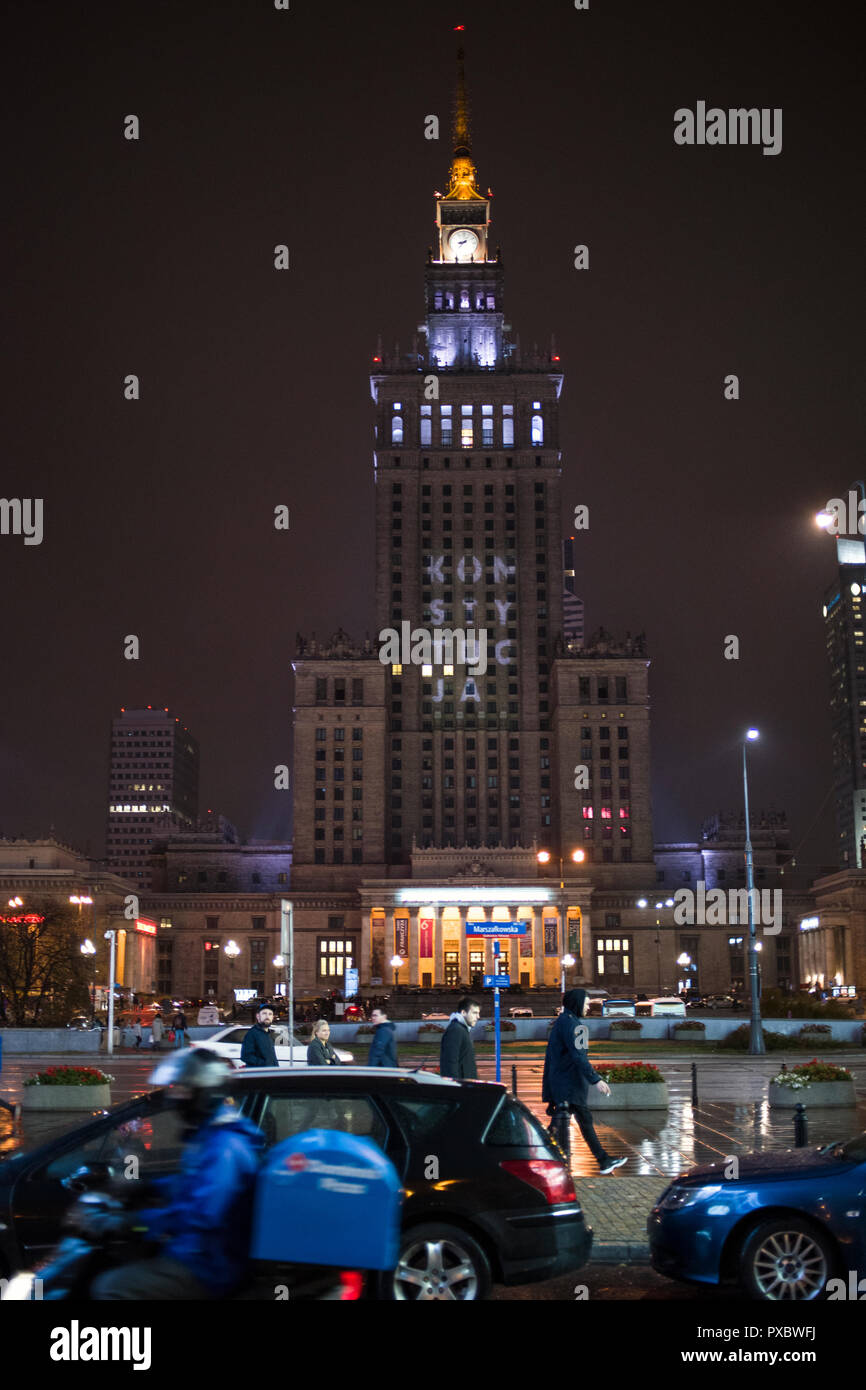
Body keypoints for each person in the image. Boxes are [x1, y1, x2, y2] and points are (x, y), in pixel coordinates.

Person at [89, 1049, 265, 1299]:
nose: (177, 1097)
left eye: (184, 1090)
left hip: (207, 1263)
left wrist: (134, 1221)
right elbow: (192, 1183)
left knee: (113, 1286)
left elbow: (201, 1214)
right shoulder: (209, 1135)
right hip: (196, 1252)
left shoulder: (225, 1145)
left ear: (204, 1093)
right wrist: (149, 1187)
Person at [542, 988, 628, 1175]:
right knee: (568, 1125)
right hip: (570, 1084)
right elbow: (579, 1056)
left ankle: (603, 1160)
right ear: (577, 1003)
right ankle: (535, 1158)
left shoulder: (562, 1022)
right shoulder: (576, 1026)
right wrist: (595, 1080)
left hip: (562, 1083)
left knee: (562, 1125)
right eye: (586, 1003)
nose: (588, 1007)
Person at [440, 997, 480, 1079]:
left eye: (478, 1013)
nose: (478, 1017)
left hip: (465, 1085)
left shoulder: (461, 1029)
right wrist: (456, 1087)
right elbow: (450, 1061)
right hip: (461, 1087)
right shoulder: (456, 1030)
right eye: (474, 1013)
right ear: (463, 1012)